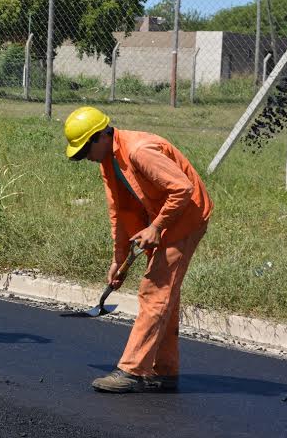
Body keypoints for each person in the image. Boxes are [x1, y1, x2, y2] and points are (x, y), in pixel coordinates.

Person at [64, 106, 213, 393]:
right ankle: (164, 371)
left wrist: (156, 227)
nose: (86, 158)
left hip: (184, 219)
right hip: (163, 219)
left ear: (100, 137)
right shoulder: (109, 161)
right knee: (165, 296)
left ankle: (132, 370)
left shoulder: (139, 151)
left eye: (85, 151)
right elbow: (120, 213)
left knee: (154, 292)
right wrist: (118, 260)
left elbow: (182, 190)